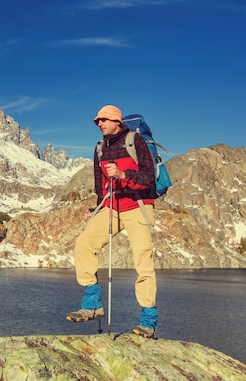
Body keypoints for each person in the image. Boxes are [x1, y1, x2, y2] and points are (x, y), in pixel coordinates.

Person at [66, 104, 158, 338]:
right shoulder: (99, 148)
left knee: (142, 262)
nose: (100, 124)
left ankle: (148, 320)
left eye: (104, 120)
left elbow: (147, 178)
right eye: (97, 121)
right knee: (84, 244)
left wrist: (122, 175)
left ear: (117, 121)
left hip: (138, 206)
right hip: (112, 206)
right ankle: (93, 303)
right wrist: (96, 209)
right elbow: (100, 185)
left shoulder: (134, 141)